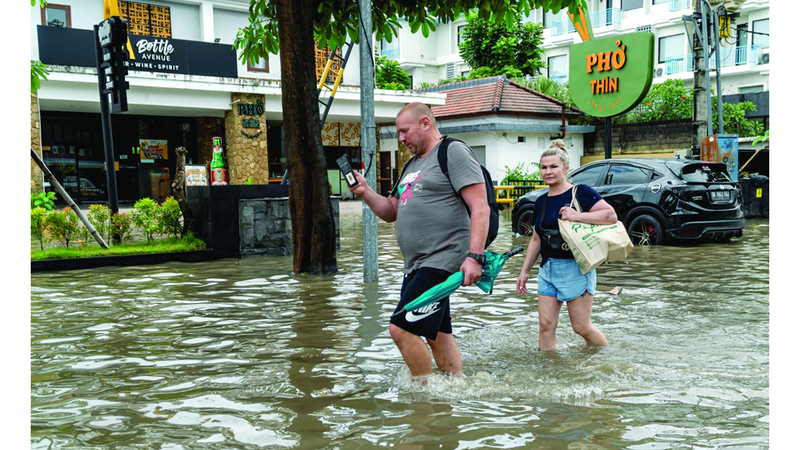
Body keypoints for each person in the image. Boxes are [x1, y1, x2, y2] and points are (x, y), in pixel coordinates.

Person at [347, 102, 490, 379]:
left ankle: (425, 396)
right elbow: (391, 211)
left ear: (425, 123)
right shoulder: (412, 164)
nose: (401, 139)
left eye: (404, 131)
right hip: (415, 265)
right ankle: (455, 387)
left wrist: (475, 256)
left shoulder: (453, 152)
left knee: (401, 328)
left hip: (442, 259)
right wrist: (365, 191)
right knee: (437, 332)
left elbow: (480, 207)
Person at [516, 140, 617, 351]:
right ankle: (549, 370)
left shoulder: (580, 192)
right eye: (544, 167)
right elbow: (536, 239)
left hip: (577, 267)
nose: (548, 171)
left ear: (566, 168)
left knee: (581, 327)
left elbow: (610, 215)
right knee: (545, 325)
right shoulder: (541, 202)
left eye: (553, 167)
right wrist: (525, 271)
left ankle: (606, 358)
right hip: (548, 269)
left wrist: (576, 215)